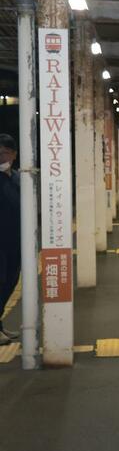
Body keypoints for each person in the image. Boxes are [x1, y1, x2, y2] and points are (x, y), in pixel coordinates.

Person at [0, 134, 21, 345]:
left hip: (15, 242)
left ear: (14, 155)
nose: (1, 157)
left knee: (11, 282)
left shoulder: (18, 178)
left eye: (4, 153)